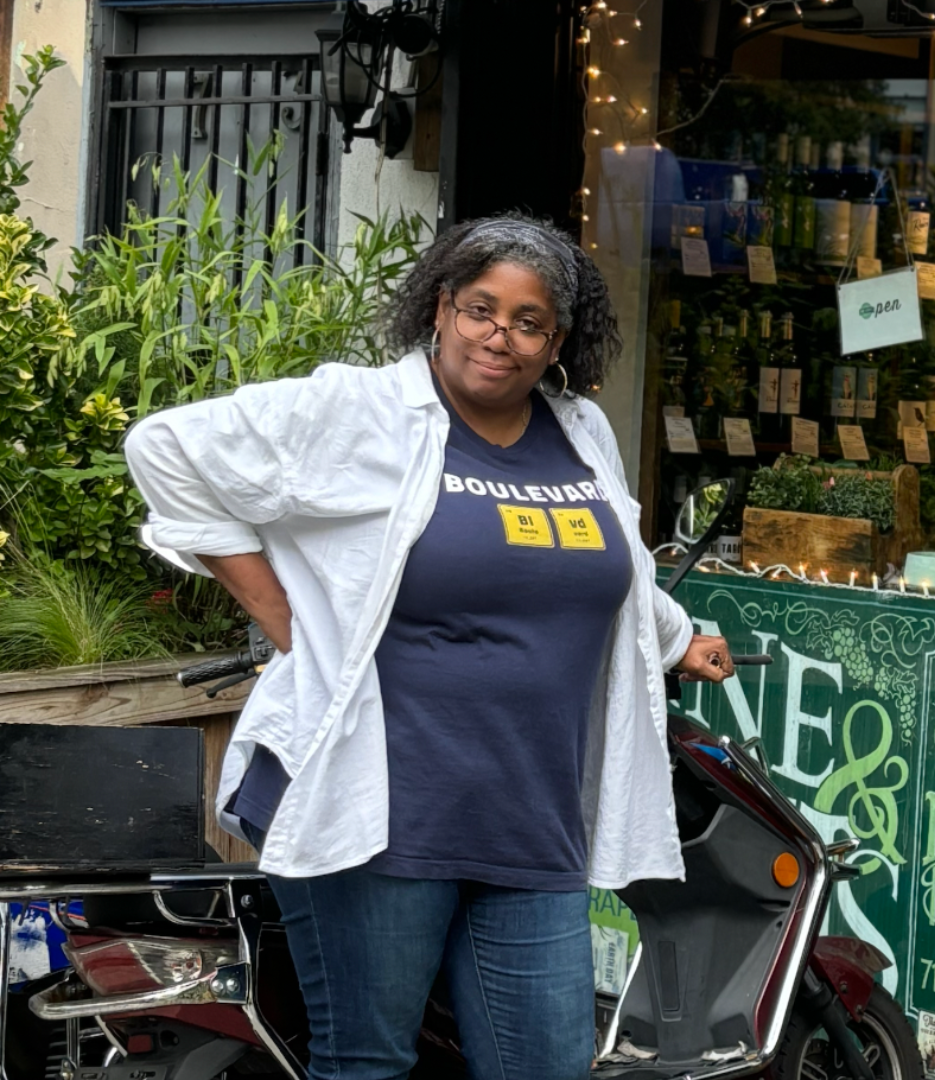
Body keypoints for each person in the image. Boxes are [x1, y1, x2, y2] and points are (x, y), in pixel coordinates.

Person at [124, 214, 733, 1080]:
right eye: (482, 310)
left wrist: (677, 643)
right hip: (382, 813)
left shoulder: (581, 430)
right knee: (369, 1063)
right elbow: (165, 450)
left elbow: (613, 565)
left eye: (530, 323)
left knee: (547, 1065)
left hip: (532, 815)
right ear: (442, 309)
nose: (502, 338)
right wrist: (284, 621)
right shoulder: (363, 411)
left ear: (558, 339)